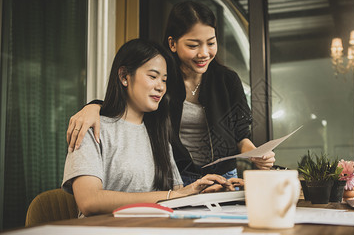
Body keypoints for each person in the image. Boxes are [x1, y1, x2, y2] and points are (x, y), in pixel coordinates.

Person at [66, 1, 275, 185]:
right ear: (172, 44)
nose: (204, 53)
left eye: (211, 43)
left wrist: (256, 154)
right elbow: (129, 100)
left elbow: (240, 136)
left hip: (223, 176)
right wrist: (93, 106)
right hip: (177, 176)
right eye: (193, 45)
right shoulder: (163, 80)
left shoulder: (227, 81)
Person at [62, 39, 233, 217]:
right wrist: (170, 196)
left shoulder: (158, 135)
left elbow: (178, 195)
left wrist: (210, 193)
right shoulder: (91, 127)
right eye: (153, 76)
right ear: (124, 76)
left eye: (164, 80)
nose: (160, 87)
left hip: (154, 234)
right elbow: (90, 201)